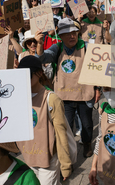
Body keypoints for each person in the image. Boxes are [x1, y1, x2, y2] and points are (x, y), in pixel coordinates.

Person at [35, 18, 98, 158]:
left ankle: (87, 143)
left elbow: (97, 69)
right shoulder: (57, 48)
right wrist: (39, 44)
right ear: (61, 36)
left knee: (87, 124)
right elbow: (41, 59)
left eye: (74, 33)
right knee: (66, 125)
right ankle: (67, 150)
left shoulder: (87, 47)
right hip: (64, 95)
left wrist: (98, 88)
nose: (72, 36)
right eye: (68, 33)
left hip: (84, 93)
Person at [17, 56, 73, 184]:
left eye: (29, 74)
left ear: (39, 73)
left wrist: (65, 165)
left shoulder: (51, 99)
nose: (25, 78)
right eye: (22, 74)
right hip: (28, 156)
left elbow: (61, 133)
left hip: (48, 160)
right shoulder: (19, 97)